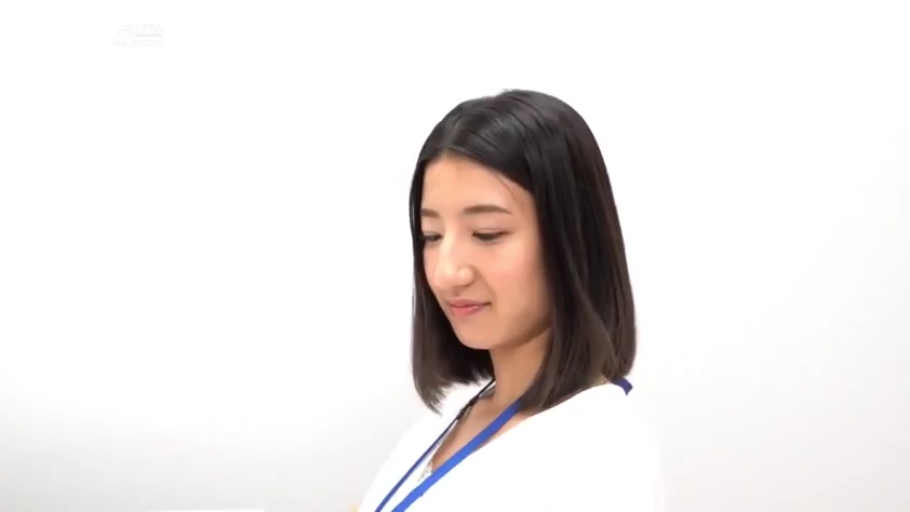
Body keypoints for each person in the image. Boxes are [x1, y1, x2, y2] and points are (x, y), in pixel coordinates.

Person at [356, 89, 662, 511]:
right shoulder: (450, 418)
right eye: (432, 236)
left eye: (487, 234)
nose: (446, 273)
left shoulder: (599, 456)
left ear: (573, 241)